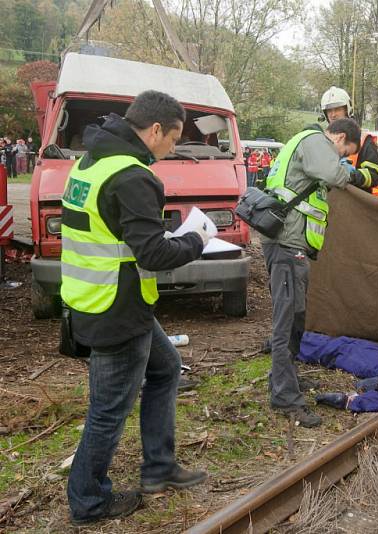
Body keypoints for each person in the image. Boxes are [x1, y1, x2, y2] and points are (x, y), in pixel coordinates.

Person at [62, 90, 211, 525]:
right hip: (116, 311)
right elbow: (152, 255)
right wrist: (197, 241)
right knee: (107, 410)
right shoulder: (133, 176)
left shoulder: (90, 162)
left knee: (166, 369)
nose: (173, 149)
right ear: (155, 130)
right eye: (174, 138)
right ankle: (88, 502)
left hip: (96, 302)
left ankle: (159, 468)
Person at [260, 118, 363, 428]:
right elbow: (335, 175)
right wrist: (355, 174)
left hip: (292, 244)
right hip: (286, 244)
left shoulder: (304, 143)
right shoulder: (315, 141)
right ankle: (284, 397)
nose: (342, 157)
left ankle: (284, 380)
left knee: (296, 319)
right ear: (341, 137)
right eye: (346, 151)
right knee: (286, 321)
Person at [319, 86, 378, 192]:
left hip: (353, 203)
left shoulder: (363, 140)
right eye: (329, 110)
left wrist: (352, 175)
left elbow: (376, 175)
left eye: (337, 109)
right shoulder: (319, 139)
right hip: (326, 202)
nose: (333, 115)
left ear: (347, 110)